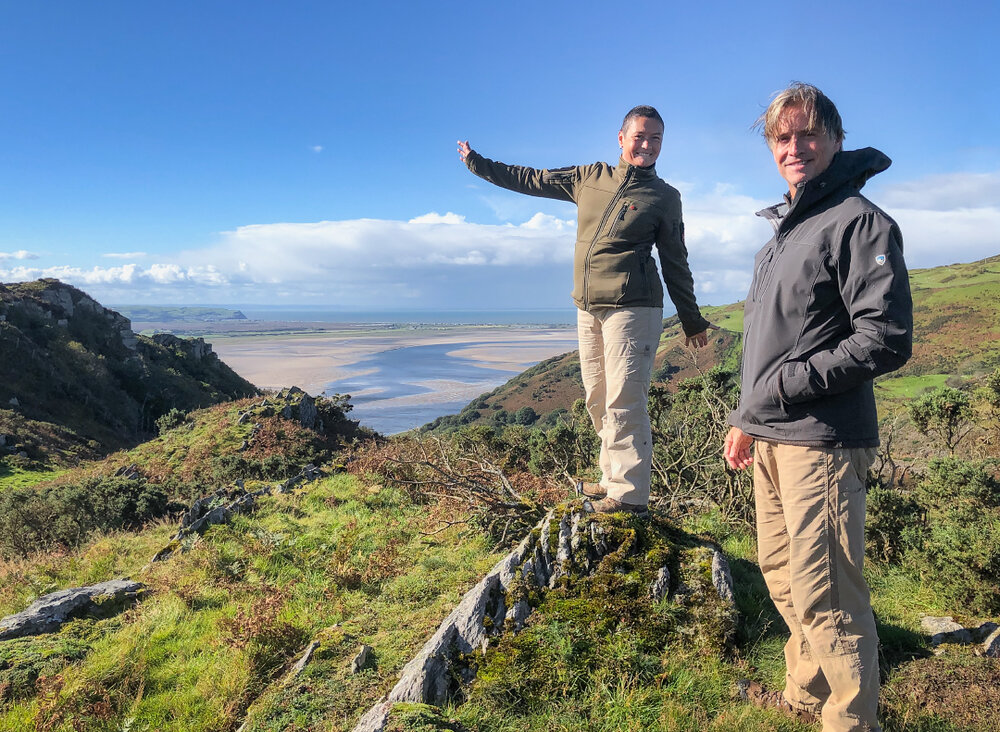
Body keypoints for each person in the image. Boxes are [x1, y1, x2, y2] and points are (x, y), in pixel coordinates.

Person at [724, 83, 913, 731]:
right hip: (772, 437)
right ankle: (805, 695)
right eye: (783, 137)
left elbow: (884, 339)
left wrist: (781, 391)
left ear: (835, 139)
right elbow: (769, 343)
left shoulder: (860, 223)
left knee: (829, 595)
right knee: (784, 577)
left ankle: (852, 720)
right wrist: (746, 417)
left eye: (808, 134)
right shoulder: (780, 235)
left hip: (823, 440)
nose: (795, 147)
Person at [458, 105, 714, 516]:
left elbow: (675, 261)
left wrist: (691, 319)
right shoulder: (588, 178)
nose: (647, 146)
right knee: (598, 397)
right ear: (621, 138)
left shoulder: (664, 198)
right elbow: (532, 179)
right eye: (640, 137)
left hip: (634, 308)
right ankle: (612, 477)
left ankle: (629, 496)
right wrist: (478, 164)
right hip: (588, 307)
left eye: (656, 140)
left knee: (625, 400)